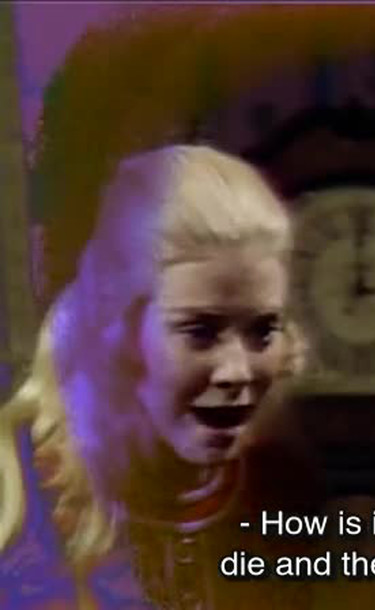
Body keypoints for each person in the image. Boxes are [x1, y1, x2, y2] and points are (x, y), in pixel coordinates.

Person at [0, 145, 320, 609]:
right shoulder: (15, 489)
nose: (239, 371)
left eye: (263, 331)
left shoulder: (277, 488)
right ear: (117, 330)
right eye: (200, 332)